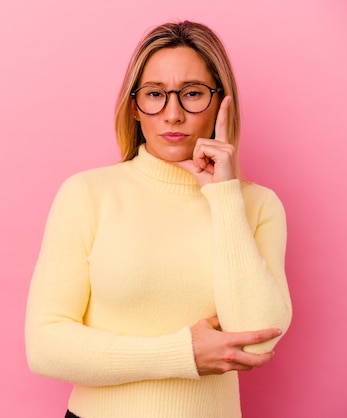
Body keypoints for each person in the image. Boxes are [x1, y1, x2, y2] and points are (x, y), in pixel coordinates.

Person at [24, 21, 292, 418]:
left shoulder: (256, 205)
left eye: (193, 94)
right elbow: (45, 347)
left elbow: (255, 344)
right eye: (154, 95)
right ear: (134, 106)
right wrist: (184, 354)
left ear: (221, 103)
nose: (173, 114)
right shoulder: (88, 194)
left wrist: (223, 196)